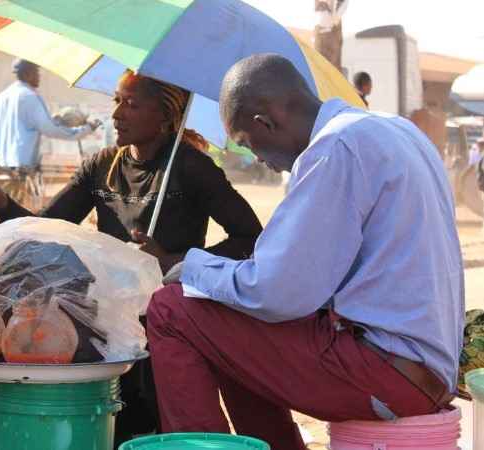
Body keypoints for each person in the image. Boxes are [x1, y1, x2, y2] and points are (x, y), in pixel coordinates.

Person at [150, 54, 463, 450]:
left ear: (266, 122)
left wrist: (188, 265)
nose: (259, 160)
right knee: (224, 320)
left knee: (172, 309)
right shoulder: (393, 129)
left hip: (386, 371)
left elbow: (276, 292)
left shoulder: (336, 148)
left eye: (248, 145)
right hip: (422, 368)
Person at [0, 69, 263, 446]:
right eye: (117, 101)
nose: (117, 114)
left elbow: (249, 238)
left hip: (164, 315)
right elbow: (44, 230)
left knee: (154, 419)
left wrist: (175, 260)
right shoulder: (102, 165)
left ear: (165, 116)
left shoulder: (192, 168)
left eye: (131, 104)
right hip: (103, 315)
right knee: (109, 416)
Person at [0, 59, 99, 213]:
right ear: (28, 73)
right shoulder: (29, 96)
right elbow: (50, 129)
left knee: (5, 212)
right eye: (37, 72)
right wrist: (85, 129)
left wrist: (56, 120)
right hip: (22, 171)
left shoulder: (1, 97)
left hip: (0, 168)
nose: (39, 76)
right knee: (23, 218)